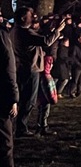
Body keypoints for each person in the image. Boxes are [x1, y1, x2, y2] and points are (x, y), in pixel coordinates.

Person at [12, 7, 65, 137]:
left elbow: (41, 38)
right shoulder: (25, 33)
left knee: (36, 98)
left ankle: (38, 125)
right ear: (24, 18)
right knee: (29, 99)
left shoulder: (15, 31)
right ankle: (21, 127)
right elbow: (45, 41)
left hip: (28, 68)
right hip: (31, 69)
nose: (34, 17)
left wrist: (52, 30)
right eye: (31, 15)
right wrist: (57, 31)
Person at [1, 25, 32, 167]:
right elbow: (7, 66)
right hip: (1, 99)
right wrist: (13, 97)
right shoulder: (2, 35)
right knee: (4, 147)